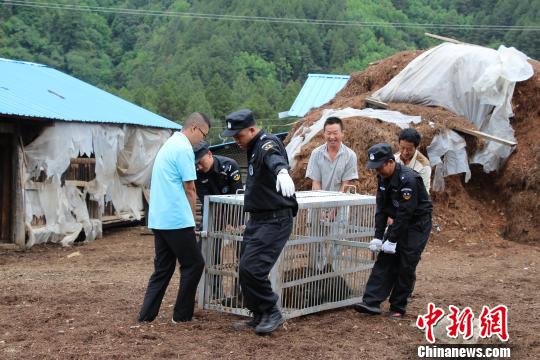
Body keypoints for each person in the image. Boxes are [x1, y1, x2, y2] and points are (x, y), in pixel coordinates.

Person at [222, 108, 297, 335]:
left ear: (252, 129)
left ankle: (271, 311)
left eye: (239, 135)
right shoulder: (252, 146)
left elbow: (273, 156)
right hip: (258, 220)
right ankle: (258, 314)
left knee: (253, 269)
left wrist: (282, 171)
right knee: (244, 270)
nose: (236, 141)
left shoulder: (266, 143)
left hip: (275, 220)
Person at [138, 112, 211, 323]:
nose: (202, 140)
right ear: (195, 128)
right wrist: (192, 219)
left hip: (160, 218)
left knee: (163, 268)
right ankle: (181, 316)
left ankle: (146, 315)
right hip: (177, 219)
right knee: (194, 264)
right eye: (203, 135)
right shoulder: (183, 148)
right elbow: (190, 187)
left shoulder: (170, 144)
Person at [354, 143, 432, 320]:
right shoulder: (383, 178)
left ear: (390, 162)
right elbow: (381, 208)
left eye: (380, 167)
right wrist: (378, 236)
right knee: (385, 259)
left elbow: (406, 213)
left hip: (416, 225)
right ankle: (371, 301)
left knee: (406, 262)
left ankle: (398, 306)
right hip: (398, 221)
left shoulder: (409, 179)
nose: (378, 171)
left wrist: (392, 239)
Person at [193, 140, 243, 303]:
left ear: (209, 154)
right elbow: (206, 199)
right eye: (196, 164)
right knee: (208, 254)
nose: (198, 167)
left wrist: (233, 223)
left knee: (244, 254)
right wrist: (221, 224)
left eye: (200, 162)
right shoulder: (197, 173)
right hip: (212, 215)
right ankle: (215, 294)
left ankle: (240, 294)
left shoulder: (229, 165)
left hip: (236, 215)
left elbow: (237, 195)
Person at [306, 116, 358, 192]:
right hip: (321, 199)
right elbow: (316, 183)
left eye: (335, 133)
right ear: (324, 134)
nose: (332, 137)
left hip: (342, 200)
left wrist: (336, 202)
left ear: (342, 133)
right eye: (329, 133)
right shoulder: (316, 154)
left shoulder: (350, 155)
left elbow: (345, 184)